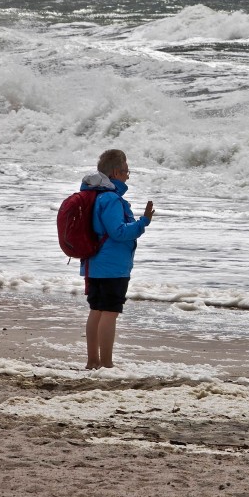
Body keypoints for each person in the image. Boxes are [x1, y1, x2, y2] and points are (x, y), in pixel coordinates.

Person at [80, 149, 154, 370]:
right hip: (111, 266)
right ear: (115, 172)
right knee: (110, 312)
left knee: (97, 310)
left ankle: (93, 361)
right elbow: (119, 232)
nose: (128, 176)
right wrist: (143, 223)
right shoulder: (111, 199)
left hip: (94, 263)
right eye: (126, 171)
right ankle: (106, 363)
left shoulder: (96, 195)